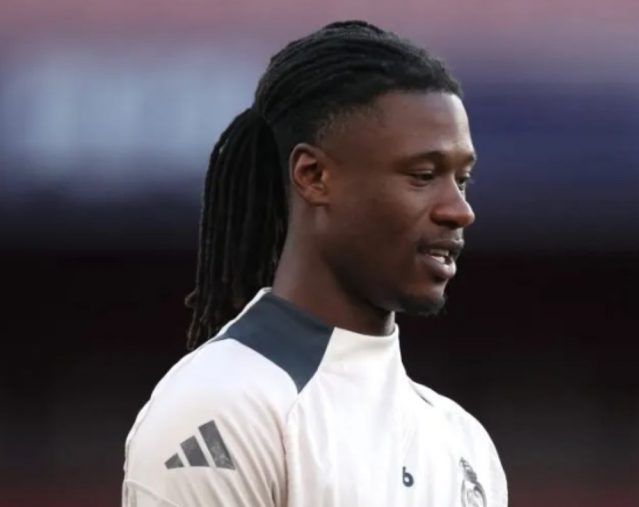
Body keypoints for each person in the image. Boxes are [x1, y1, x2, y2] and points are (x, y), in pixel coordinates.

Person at [122, 20, 507, 507]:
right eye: (423, 175)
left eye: (462, 180)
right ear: (314, 175)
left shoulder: (463, 445)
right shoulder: (221, 407)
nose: (459, 210)